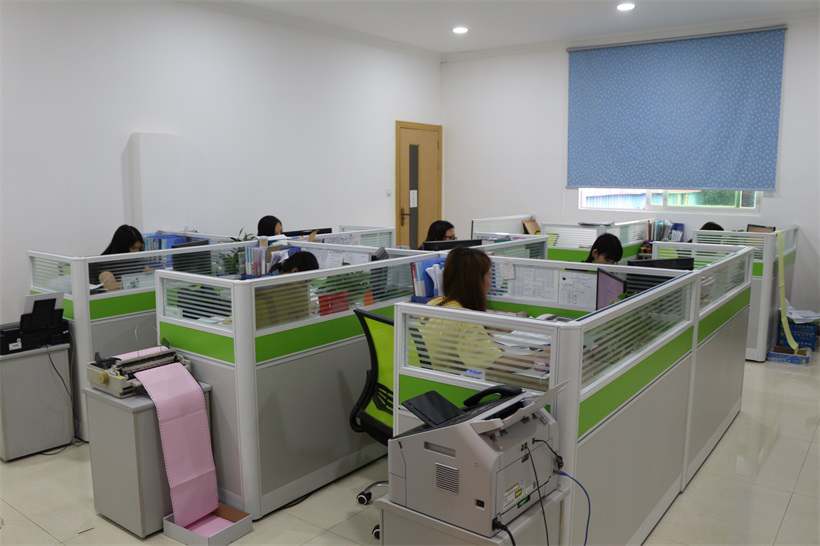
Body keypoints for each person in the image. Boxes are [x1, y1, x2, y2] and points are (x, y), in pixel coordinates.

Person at [421, 247, 502, 370]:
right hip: (452, 380)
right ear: (476, 282)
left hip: (430, 377)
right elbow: (496, 364)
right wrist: (533, 358)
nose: (490, 282)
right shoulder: (465, 319)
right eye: (489, 275)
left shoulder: (435, 303)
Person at [91, 225, 145, 291]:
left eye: (139, 248)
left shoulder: (137, 261)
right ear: (121, 247)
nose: (137, 252)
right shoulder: (102, 266)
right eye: (133, 248)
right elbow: (113, 292)